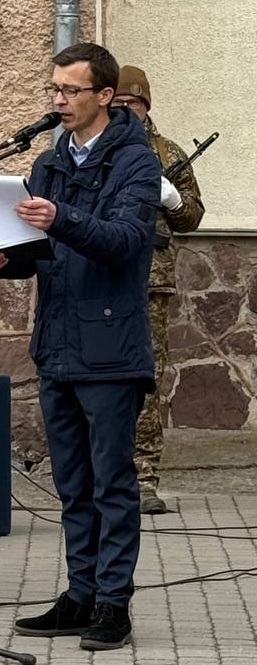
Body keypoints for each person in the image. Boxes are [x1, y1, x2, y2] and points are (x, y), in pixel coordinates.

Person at [0, 43, 160, 651]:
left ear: (104, 96)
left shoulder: (137, 162)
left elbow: (125, 241)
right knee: (72, 484)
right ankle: (80, 593)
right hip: (57, 343)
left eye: (70, 90)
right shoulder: (49, 161)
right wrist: (4, 259)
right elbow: (40, 251)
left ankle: (113, 603)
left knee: (112, 483)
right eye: (53, 89)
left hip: (110, 347)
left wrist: (59, 219)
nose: (58, 100)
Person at [113, 66, 205, 515]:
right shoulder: (96, 151)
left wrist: (173, 199)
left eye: (131, 104)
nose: (123, 111)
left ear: (145, 105)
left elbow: (192, 218)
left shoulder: (168, 153)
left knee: (146, 380)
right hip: (105, 276)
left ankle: (144, 479)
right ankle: (104, 476)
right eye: (116, 104)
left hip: (151, 282)